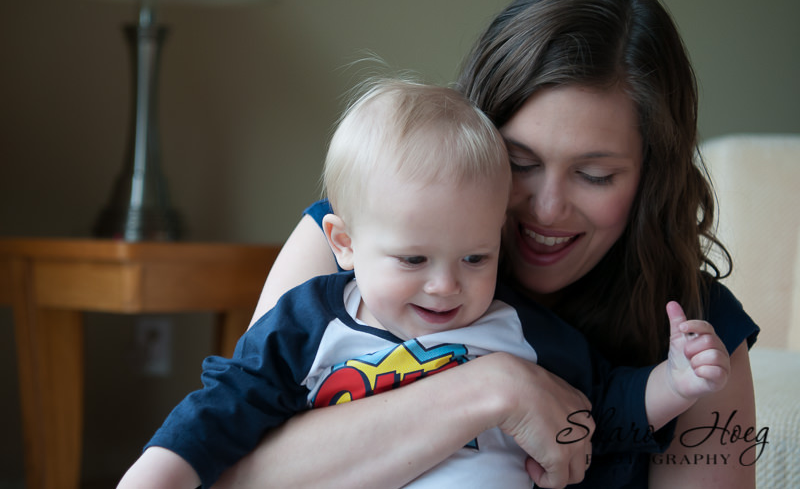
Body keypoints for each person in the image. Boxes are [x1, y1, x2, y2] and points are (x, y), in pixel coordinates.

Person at [213, 0, 759, 489]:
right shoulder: (350, 247)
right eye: (518, 161)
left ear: (650, 179)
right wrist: (493, 389)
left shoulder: (698, 335)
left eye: (595, 175)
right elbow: (233, 470)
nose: (546, 209)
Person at [118, 79, 729, 489]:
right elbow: (221, 412)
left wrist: (673, 384)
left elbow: (605, 409)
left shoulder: (521, 327)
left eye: (474, 258)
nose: (445, 287)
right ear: (344, 244)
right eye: (412, 260)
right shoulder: (312, 324)